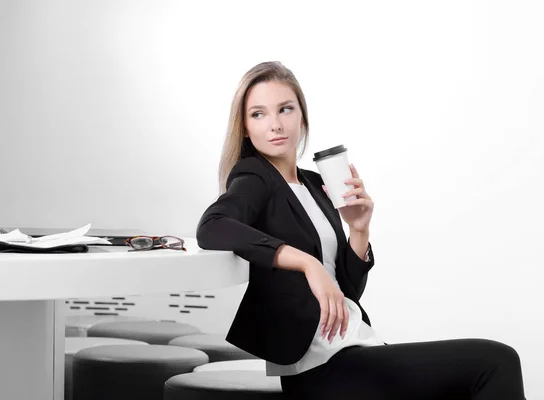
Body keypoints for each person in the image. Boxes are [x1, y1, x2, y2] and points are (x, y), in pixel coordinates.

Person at [196, 61, 526, 400]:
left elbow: (348, 290)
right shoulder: (253, 177)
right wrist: (306, 264)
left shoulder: (315, 184)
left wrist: (358, 230)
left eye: (285, 109)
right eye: (259, 114)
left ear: (302, 117)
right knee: (496, 361)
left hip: (356, 347)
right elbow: (212, 227)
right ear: (245, 127)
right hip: (321, 368)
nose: (276, 124)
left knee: (481, 375)